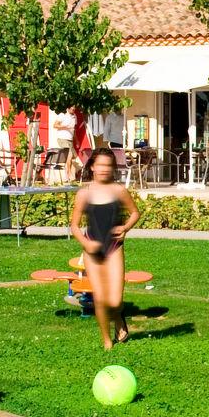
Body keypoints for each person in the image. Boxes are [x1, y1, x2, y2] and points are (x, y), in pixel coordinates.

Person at [71, 148, 140, 348]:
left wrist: (125, 227)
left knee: (115, 301)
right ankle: (107, 342)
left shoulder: (119, 190)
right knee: (100, 299)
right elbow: (74, 226)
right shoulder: (84, 193)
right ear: (92, 166)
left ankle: (119, 318)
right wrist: (86, 243)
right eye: (100, 165)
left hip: (114, 248)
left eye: (108, 165)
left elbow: (135, 213)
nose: (103, 169)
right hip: (92, 250)